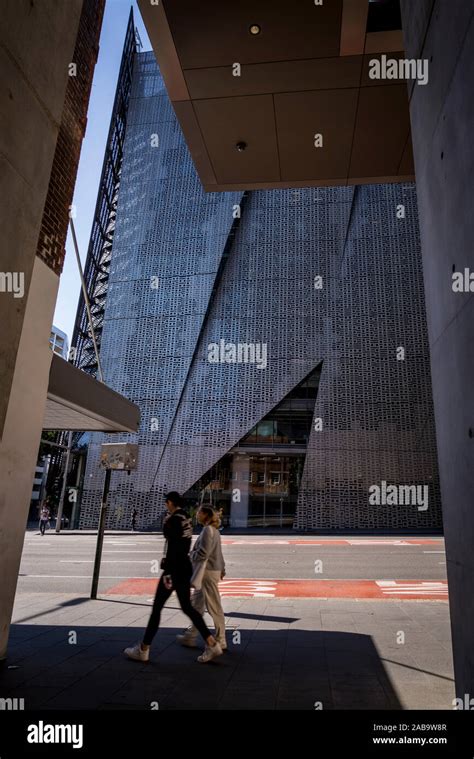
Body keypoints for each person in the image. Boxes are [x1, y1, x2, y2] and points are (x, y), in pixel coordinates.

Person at [124, 492, 223, 664]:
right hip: (184, 567)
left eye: (166, 503)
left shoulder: (172, 520)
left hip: (173, 569)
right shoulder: (186, 518)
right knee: (187, 607)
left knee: (157, 609)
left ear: (170, 503)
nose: (165, 505)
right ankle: (211, 643)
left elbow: (172, 547)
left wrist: (168, 572)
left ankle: (143, 649)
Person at [177, 505, 227, 651]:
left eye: (199, 512)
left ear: (205, 514)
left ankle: (220, 639)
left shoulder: (207, 530)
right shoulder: (215, 531)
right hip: (210, 571)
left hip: (207, 573)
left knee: (214, 607)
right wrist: (222, 568)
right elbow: (219, 553)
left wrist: (190, 555)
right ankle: (190, 636)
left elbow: (203, 554)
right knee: (197, 607)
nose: (196, 514)